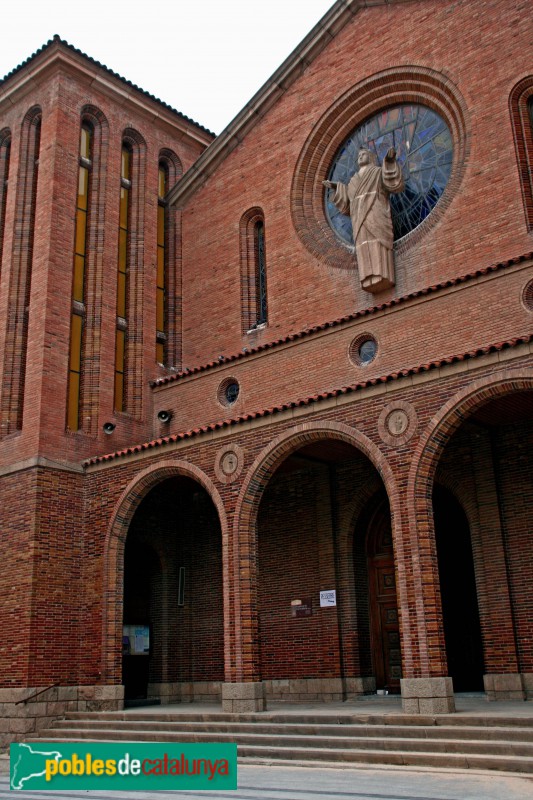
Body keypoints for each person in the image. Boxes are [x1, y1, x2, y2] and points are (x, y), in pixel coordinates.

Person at [323, 147, 404, 293]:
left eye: (363, 154)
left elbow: (392, 183)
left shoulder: (377, 171)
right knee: (363, 244)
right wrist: (337, 188)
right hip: (358, 219)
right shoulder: (353, 180)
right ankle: (367, 275)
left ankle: (382, 272)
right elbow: (348, 205)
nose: (360, 157)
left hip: (375, 212)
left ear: (371, 157)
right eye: (358, 155)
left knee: (377, 241)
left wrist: (389, 162)